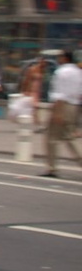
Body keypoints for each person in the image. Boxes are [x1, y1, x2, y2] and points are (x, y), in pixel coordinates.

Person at [40, 49, 82, 178]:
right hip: (74, 106)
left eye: (60, 57)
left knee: (51, 138)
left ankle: (51, 168)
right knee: (69, 137)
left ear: (64, 58)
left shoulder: (61, 72)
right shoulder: (79, 72)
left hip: (61, 105)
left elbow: (59, 94)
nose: (58, 60)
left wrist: (56, 112)